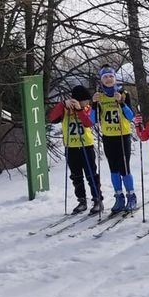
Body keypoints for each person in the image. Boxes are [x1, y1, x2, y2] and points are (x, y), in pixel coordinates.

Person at [48, 85, 103, 215]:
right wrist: (63, 105)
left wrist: (79, 110)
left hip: (86, 145)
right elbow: (52, 118)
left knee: (91, 174)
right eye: (84, 100)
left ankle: (97, 199)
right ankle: (82, 200)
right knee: (76, 176)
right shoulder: (66, 110)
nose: (87, 103)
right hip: (71, 147)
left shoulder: (87, 109)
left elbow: (89, 122)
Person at [92, 65, 137, 213]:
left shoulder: (123, 93)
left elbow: (131, 117)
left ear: (115, 78)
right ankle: (119, 197)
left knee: (125, 168)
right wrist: (93, 104)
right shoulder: (99, 96)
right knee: (114, 169)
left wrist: (122, 103)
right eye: (105, 77)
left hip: (122, 136)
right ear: (101, 80)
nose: (108, 79)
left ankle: (131, 196)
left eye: (111, 76)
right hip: (108, 137)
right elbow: (92, 120)